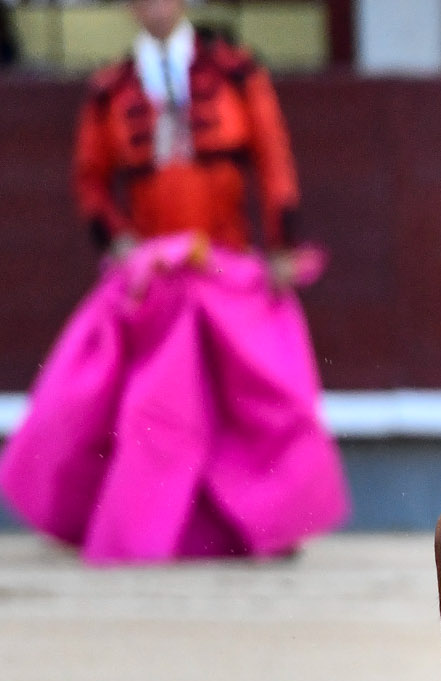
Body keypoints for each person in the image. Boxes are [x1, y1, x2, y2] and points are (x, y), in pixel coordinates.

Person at [0, 0, 347, 563]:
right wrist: (119, 243)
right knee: (149, 409)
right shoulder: (110, 90)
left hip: (223, 266)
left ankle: (261, 523)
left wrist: (281, 245)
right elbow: (91, 183)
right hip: (156, 279)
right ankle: (142, 525)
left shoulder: (237, 72)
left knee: (250, 399)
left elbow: (273, 161)